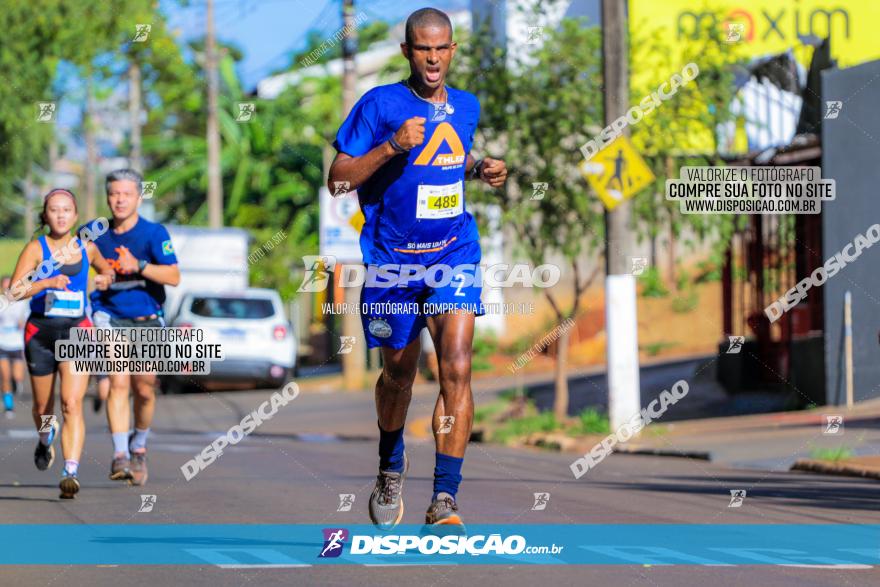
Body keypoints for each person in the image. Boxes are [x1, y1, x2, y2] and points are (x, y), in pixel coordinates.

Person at [328, 7, 507, 530]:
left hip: (454, 253)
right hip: (390, 263)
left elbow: (450, 156)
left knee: (456, 366)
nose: (433, 58)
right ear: (408, 51)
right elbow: (338, 181)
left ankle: (445, 499)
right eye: (422, 48)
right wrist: (390, 146)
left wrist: (480, 168)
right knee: (398, 375)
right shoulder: (379, 104)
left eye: (442, 48)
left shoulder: (466, 106)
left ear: (452, 50)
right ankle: (390, 463)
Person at [7, 189, 114, 498]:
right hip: (40, 333)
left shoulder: (87, 248)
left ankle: (70, 470)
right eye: (54, 210)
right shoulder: (35, 249)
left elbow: (107, 271)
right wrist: (46, 282)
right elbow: (13, 292)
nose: (61, 215)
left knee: (71, 403)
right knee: (44, 408)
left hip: (77, 331)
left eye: (66, 210)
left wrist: (104, 280)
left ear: (76, 215)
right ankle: (44, 441)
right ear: (46, 215)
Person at [81, 169, 180, 486]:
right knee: (118, 382)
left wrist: (137, 266)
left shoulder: (154, 234)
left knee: (144, 388)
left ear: (138, 197)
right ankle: (120, 454)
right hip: (109, 315)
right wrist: (94, 278)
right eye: (113, 194)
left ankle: (139, 445)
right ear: (107, 196)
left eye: (126, 194)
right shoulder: (94, 233)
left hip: (147, 319)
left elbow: (174, 276)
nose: (119, 199)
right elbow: (73, 266)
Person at [0, 275, 29, 417]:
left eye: (9, 287)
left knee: (17, 377)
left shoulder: (22, 303)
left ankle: (15, 384)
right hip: (2, 343)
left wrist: (23, 322)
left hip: (17, 343)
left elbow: (28, 319)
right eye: (4, 287)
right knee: (4, 375)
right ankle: (9, 406)